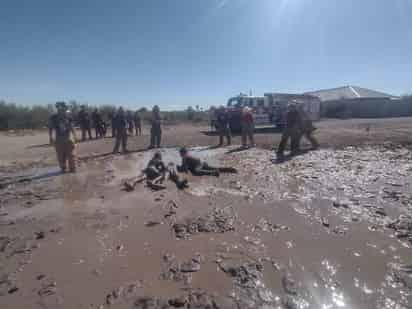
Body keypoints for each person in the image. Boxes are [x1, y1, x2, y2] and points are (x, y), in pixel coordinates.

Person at [48, 102, 77, 173]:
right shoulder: (53, 117)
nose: (61, 108)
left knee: (71, 155)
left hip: (68, 138)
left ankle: (72, 169)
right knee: (60, 156)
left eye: (62, 107)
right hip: (58, 138)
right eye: (59, 107)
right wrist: (51, 137)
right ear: (57, 108)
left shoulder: (68, 116)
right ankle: (63, 169)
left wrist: (74, 135)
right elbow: (50, 127)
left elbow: (72, 127)